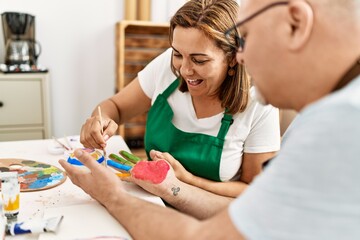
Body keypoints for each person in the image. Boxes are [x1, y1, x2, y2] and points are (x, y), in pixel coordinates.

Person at [60, 0, 360, 238]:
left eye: (248, 37)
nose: (242, 57)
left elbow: (208, 234)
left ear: (296, 23)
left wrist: (113, 195)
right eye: (178, 55)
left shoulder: (342, 125)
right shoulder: (327, 116)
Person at [79, 0, 280, 216]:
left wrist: (187, 180)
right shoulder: (167, 67)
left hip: (213, 222)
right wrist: (100, 120)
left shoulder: (260, 101)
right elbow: (115, 106)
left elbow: (256, 192)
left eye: (199, 60)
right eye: (177, 54)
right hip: (153, 204)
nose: (184, 69)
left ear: (232, 58)